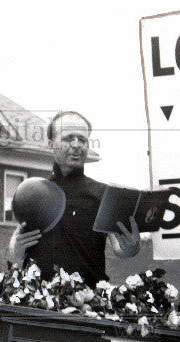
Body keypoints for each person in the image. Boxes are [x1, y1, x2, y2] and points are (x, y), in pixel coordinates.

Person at [9, 111, 140, 283]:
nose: (76, 144)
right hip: (39, 299)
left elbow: (121, 249)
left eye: (82, 139)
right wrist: (17, 247)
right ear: (51, 144)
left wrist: (132, 245)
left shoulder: (105, 194)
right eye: (68, 138)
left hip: (88, 299)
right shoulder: (34, 192)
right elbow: (16, 248)